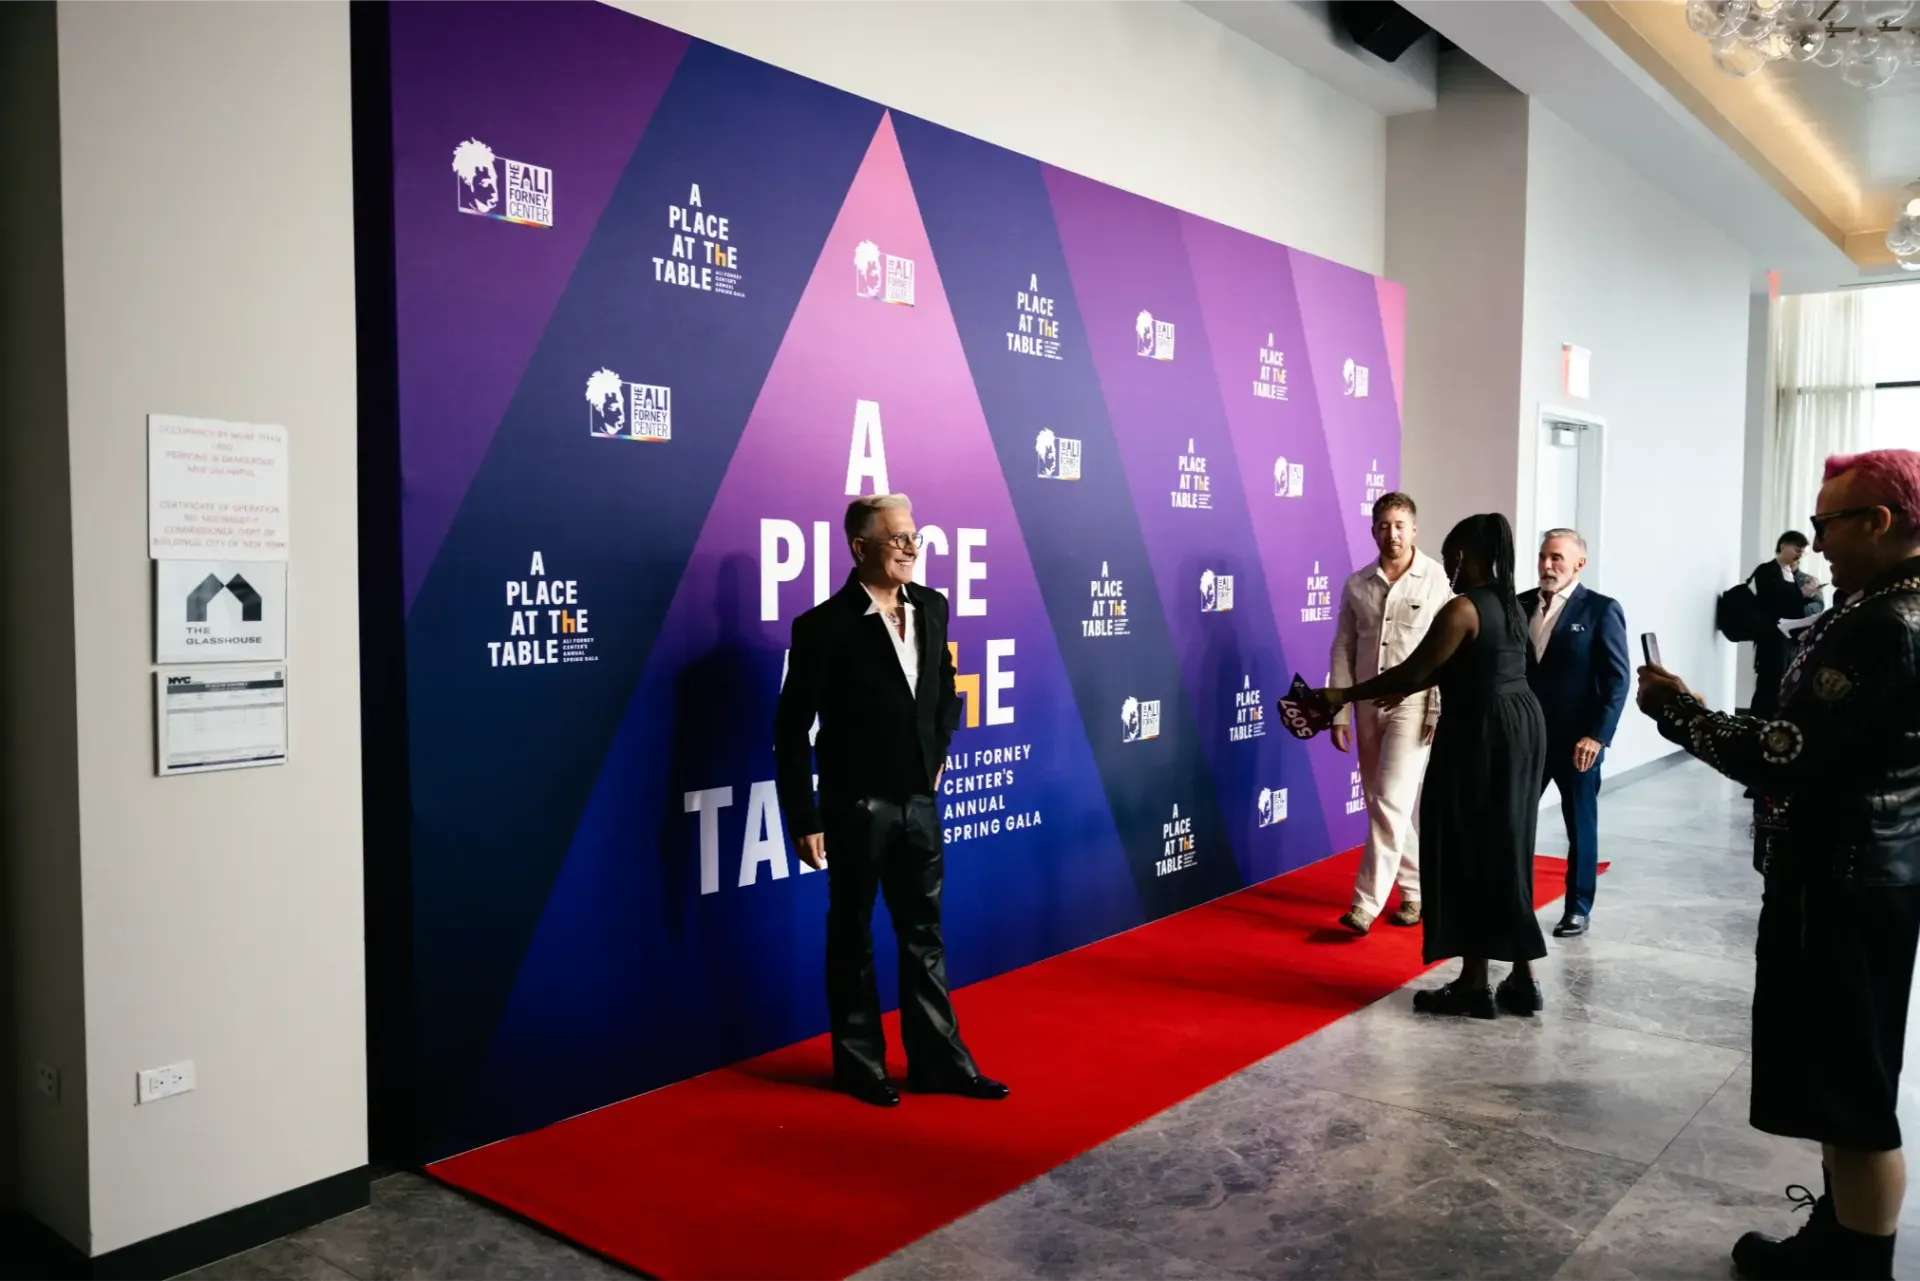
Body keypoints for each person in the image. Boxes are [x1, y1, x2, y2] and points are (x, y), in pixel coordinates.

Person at [1637, 449, 1920, 1281]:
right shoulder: (1886, 605)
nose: (1818, 541)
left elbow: (1784, 751)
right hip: (1872, 868)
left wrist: (1681, 711)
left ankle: (1857, 1264)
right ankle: (1836, 1237)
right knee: (1846, 1075)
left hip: (1845, 877)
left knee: (1857, 1092)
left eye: (1830, 522)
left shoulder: (1880, 621)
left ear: (1878, 521)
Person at [773, 494, 1008, 1109]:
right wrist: (805, 815)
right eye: (898, 538)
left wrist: (938, 753)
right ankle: (859, 1066)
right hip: (855, 807)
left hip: (919, 807)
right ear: (860, 548)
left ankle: (938, 1062)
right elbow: (791, 731)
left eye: (914, 537)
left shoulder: (933, 606)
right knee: (851, 936)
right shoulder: (822, 627)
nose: (910, 547)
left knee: (923, 934)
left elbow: (944, 691)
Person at [1312, 513, 1549, 1018]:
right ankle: (1522, 980)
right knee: (1506, 847)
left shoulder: (1461, 608)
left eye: (1451, 553)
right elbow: (1450, 671)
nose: (1449, 564)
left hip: (1481, 733)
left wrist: (1343, 695)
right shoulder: (1511, 605)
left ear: (1466, 555)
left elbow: (1416, 670)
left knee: (1464, 847)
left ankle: (1472, 983)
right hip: (1521, 727)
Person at [1327, 492, 1453, 935]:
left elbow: (1446, 652)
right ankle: (1416, 890)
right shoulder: (1357, 583)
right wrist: (1339, 710)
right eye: (1383, 525)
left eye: (1400, 525)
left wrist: (1436, 707)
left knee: (1391, 802)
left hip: (1412, 706)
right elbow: (1343, 646)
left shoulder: (1435, 579)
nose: (1392, 533)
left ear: (1414, 529)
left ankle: (1365, 903)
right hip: (1365, 704)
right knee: (1381, 804)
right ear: (1373, 529)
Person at [1517, 529, 1629, 938]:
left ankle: (1578, 908)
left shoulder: (1601, 609)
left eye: (1557, 558)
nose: (1548, 565)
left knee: (1580, 824)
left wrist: (1597, 736)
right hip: (1527, 739)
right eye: (1543, 557)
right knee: (1515, 822)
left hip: (1578, 741)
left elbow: (1617, 680)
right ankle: (1514, 903)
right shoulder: (1520, 604)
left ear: (1579, 563)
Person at [1748, 530, 1826, 718]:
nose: (1800, 553)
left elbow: (1818, 606)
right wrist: (1802, 596)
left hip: (1797, 642)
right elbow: (1773, 601)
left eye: (1803, 551)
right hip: (1771, 639)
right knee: (1768, 686)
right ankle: (1756, 728)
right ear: (1783, 546)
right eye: (1797, 548)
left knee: (1793, 688)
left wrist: (1806, 600)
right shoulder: (1765, 571)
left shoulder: (1805, 579)